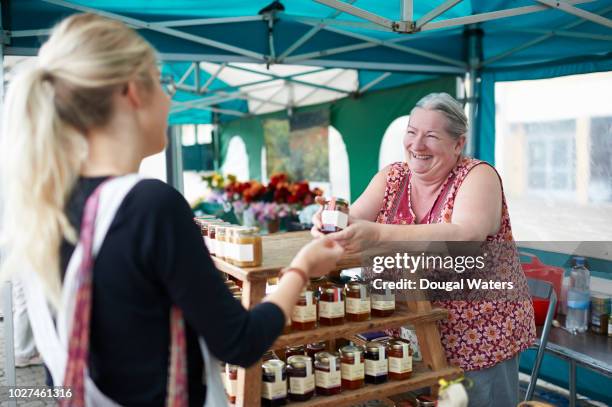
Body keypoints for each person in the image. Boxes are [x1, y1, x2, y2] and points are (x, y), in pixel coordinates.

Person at [0, 13, 343, 406]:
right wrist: (302, 268)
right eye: (164, 84)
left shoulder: (47, 207)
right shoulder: (150, 206)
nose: (169, 98)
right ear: (132, 91)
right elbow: (241, 342)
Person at [313, 93, 536, 407]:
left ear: (458, 144)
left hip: (477, 337)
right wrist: (329, 219)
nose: (417, 145)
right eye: (412, 132)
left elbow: (465, 236)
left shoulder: (477, 176)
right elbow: (353, 217)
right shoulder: (393, 177)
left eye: (431, 136)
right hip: (407, 335)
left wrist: (377, 233)